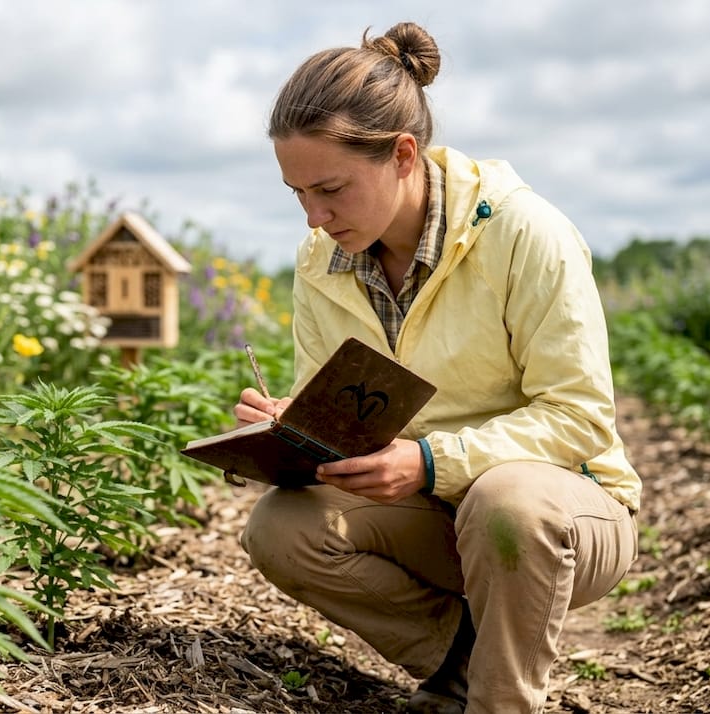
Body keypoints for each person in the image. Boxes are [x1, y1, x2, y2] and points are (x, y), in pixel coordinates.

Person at [235, 21, 641, 714]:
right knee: (281, 526)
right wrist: (292, 429)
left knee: (505, 501)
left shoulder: (523, 234)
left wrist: (429, 463)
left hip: (560, 513)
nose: (313, 218)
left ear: (402, 154)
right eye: (296, 193)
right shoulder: (322, 262)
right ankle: (461, 666)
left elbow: (579, 418)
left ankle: (501, 700)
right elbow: (342, 403)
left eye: (330, 189)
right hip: (432, 515)